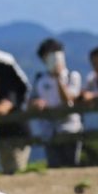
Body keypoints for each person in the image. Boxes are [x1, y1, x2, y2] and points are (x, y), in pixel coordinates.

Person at [28, 38, 83, 168]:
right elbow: (29, 103)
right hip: (48, 131)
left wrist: (58, 78)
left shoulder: (72, 76)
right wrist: (36, 103)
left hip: (70, 129)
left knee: (72, 166)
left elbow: (68, 100)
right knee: (54, 167)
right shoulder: (39, 79)